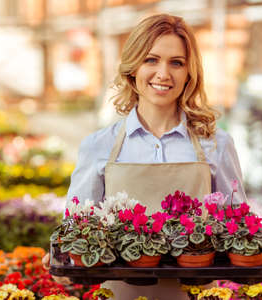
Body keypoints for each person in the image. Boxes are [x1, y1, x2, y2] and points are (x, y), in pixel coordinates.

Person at [43, 14, 248, 299]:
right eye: (151, 60)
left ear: (190, 72)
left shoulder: (216, 144)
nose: (163, 74)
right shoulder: (98, 146)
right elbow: (78, 224)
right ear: (133, 68)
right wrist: (60, 253)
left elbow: (238, 224)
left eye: (176, 62)